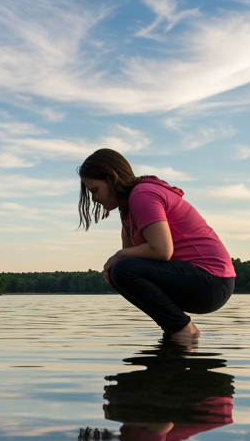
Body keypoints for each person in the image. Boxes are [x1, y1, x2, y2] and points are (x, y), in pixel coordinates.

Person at [78, 148, 235, 345]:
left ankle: (182, 329)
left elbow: (161, 250)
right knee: (120, 270)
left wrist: (117, 256)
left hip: (212, 280)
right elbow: (133, 259)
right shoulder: (127, 208)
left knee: (122, 269)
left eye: (95, 190)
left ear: (112, 178)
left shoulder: (143, 194)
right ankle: (176, 329)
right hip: (204, 281)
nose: (94, 199)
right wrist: (120, 258)